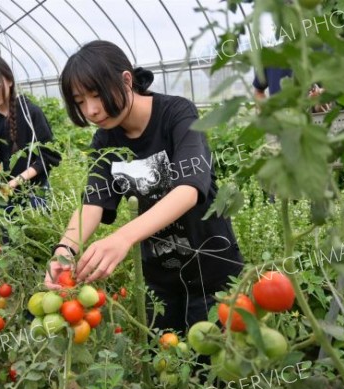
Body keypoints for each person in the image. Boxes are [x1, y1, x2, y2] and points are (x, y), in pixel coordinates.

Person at [45, 40, 244, 334]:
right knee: (171, 365)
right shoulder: (105, 140)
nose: (92, 110)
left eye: (97, 94)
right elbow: (93, 203)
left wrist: (123, 237)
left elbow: (189, 189)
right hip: (161, 283)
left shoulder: (177, 114)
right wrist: (64, 251)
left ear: (126, 80)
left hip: (212, 272)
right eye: (80, 101)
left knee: (220, 366)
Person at [0, 55, 61, 238]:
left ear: (9, 80)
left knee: (40, 240)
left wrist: (16, 181)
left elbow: (49, 155)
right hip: (5, 198)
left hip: (34, 193)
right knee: (12, 245)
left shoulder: (30, 113)